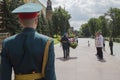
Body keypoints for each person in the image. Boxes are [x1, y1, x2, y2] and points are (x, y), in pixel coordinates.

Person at [1, 3, 56, 80]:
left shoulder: (7, 43)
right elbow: (50, 74)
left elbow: (4, 75)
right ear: (36, 20)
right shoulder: (47, 42)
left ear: (20, 21)